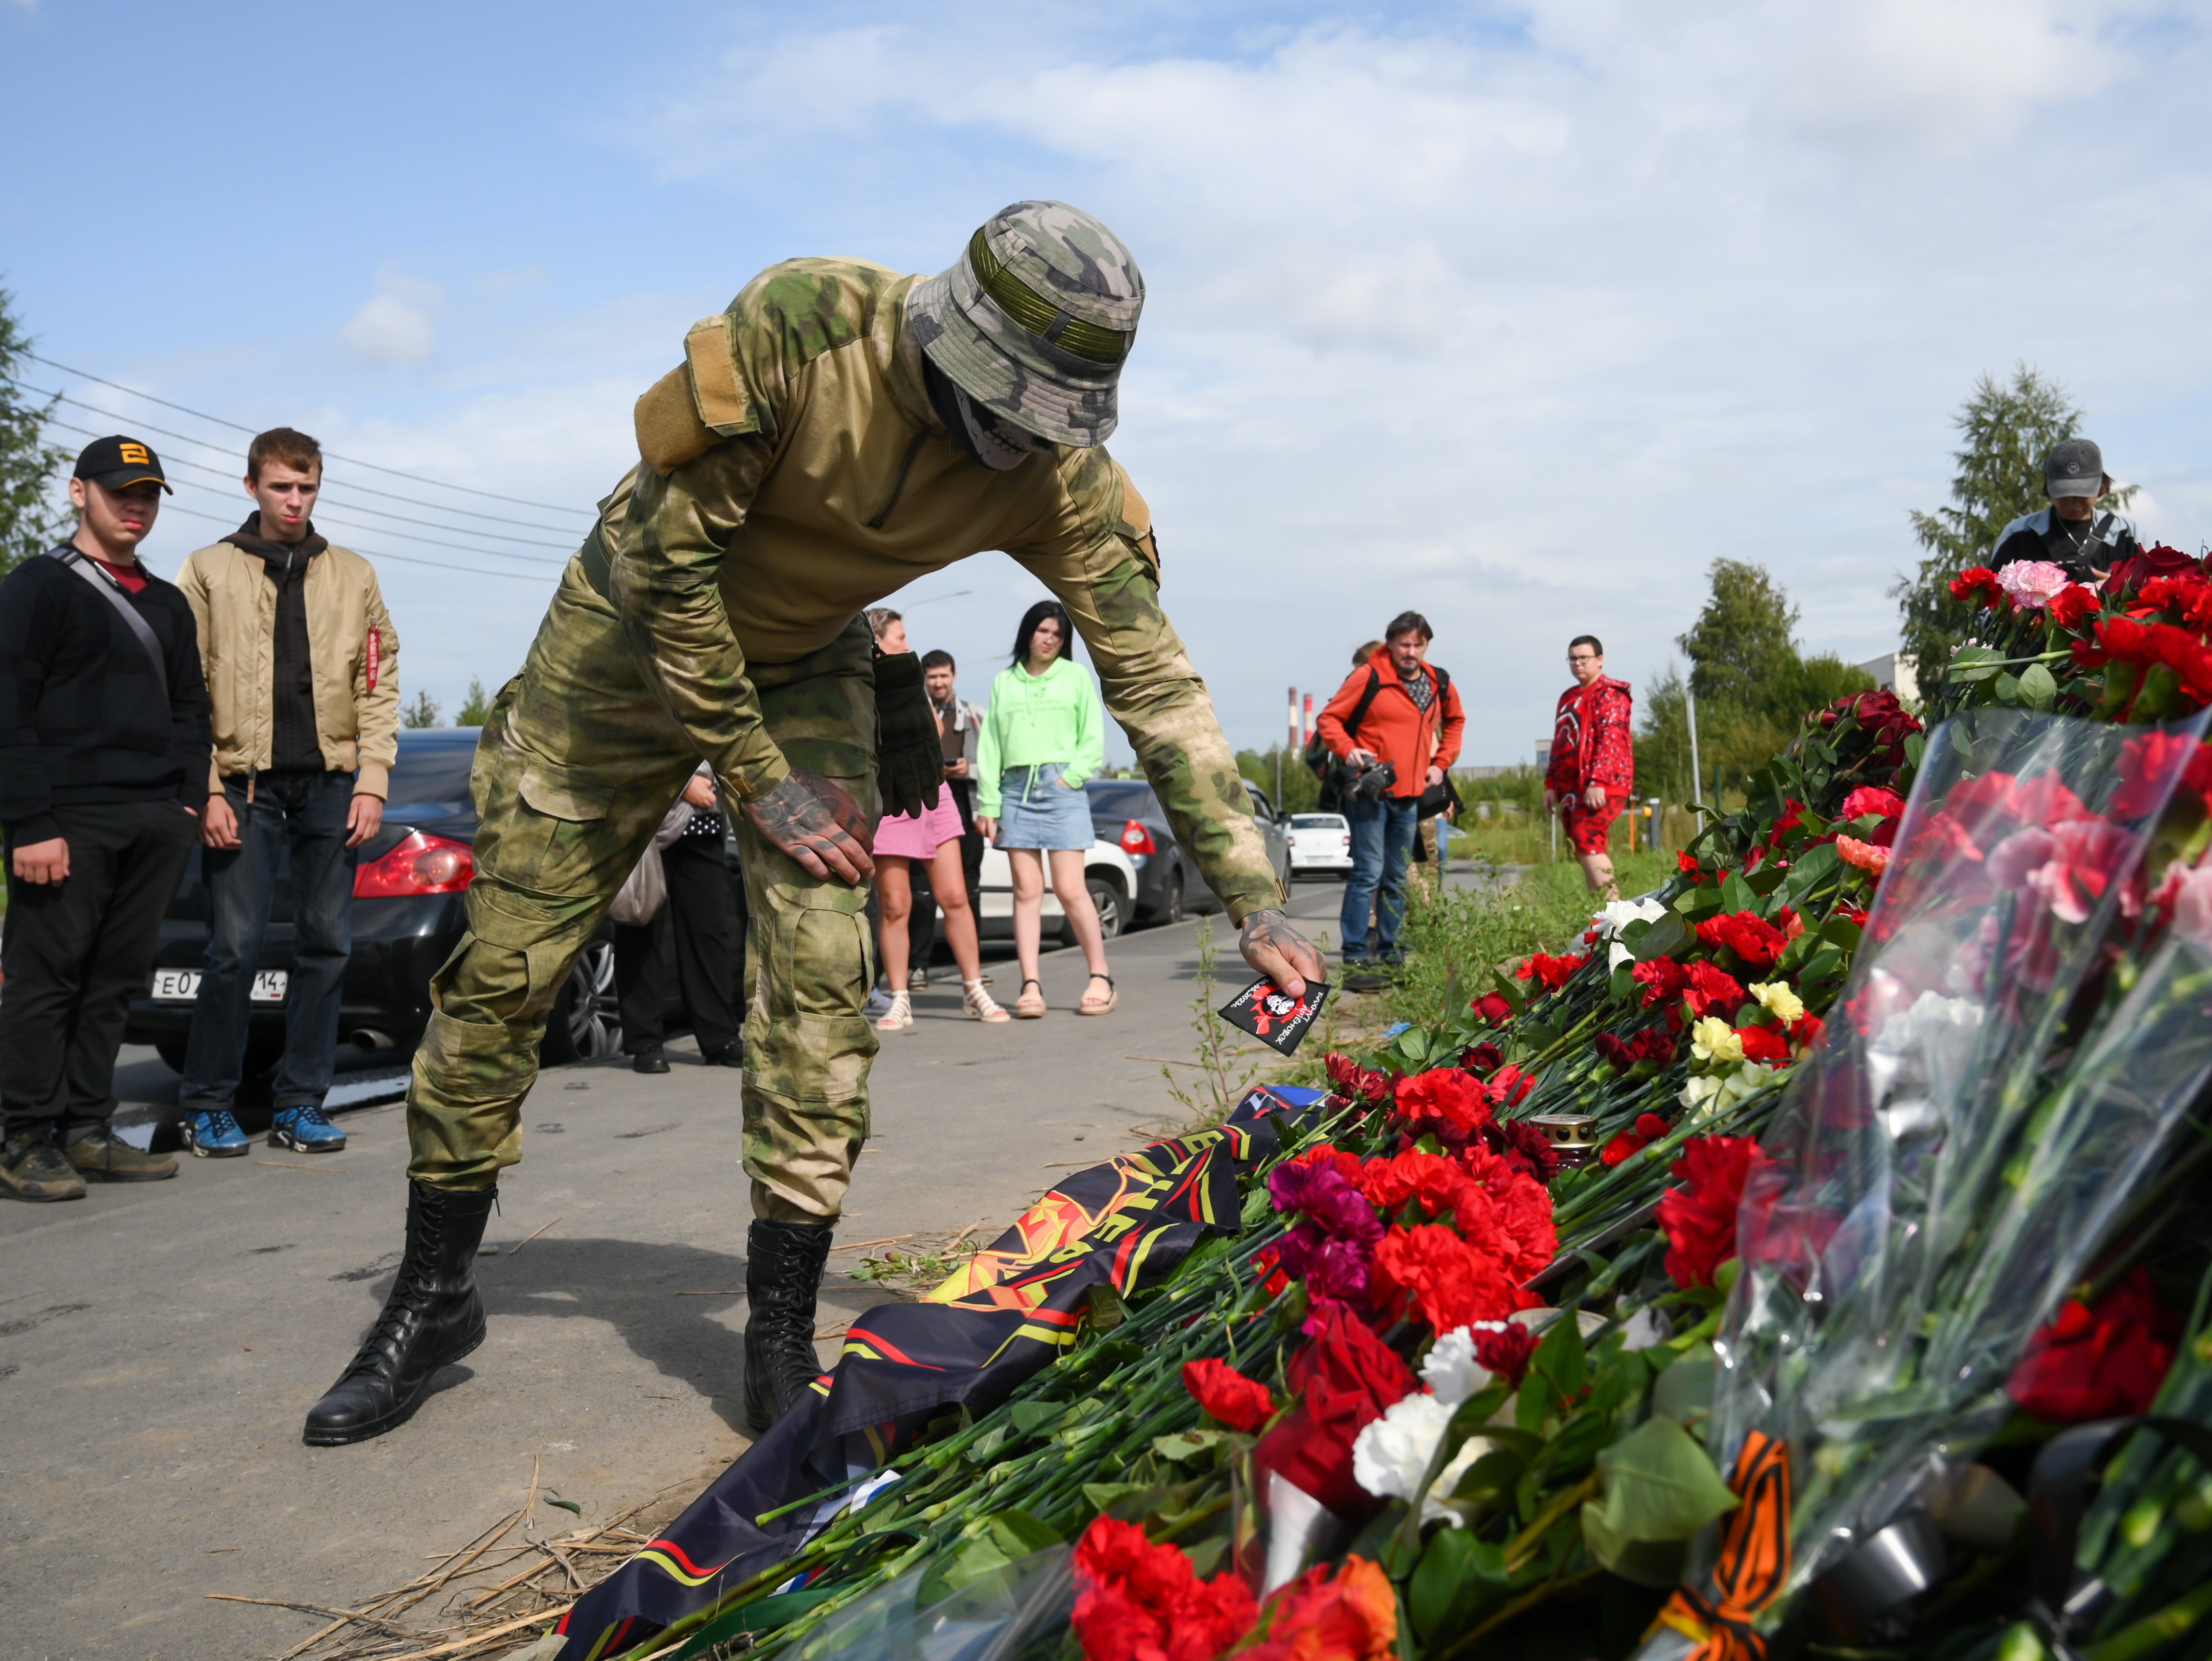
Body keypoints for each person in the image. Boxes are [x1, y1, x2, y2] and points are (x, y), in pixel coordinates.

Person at [300, 200, 1315, 1448]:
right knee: (506, 970)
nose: (1013, 445)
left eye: (1044, 421)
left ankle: (779, 1327)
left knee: (826, 980)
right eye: (1002, 405)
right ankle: (432, 1293)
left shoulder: (1059, 476)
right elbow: (674, 573)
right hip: (624, 646)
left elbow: (1154, 681)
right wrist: (753, 776)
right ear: (952, 343)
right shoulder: (804, 326)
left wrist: (1253, 892)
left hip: (801, 667)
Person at [173, 428, 400, 1158]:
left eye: (306, 488)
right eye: (280, 487)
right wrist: (206, 788)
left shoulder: (354, 573)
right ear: (252, 488)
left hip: (333, 787)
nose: (294, 501)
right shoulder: (208, 570)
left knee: (326, 945)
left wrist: (373, 781)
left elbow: (378, 681)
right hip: (243, 787)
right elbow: (187, 688)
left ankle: (301, 1103)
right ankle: (207, 1104)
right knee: (233, 950)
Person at [0, 437, 211, 1200]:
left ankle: (88, 1131)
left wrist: (185, 804)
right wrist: (28, 822)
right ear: (77, 492)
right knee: (44, 980)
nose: (137, 505)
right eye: (123, 490)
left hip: (153, 820)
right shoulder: (38, 588)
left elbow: (192, 708)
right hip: (66, 821)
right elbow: (8, 710)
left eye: (150, 493)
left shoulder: (167, 602)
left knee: (114, 982)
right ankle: (24, 1138)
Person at [975, 601, 1115, 1019]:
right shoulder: (1005, 682)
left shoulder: (1074, 677)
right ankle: (1030, 985)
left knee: (1071, 889)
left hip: (1061, 788)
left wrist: (1070, 778)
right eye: (1042, 631)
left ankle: (1101, 977)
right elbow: (991, 745)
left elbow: (1093, 735)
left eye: (1057, 634)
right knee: (1026, 891)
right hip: (1014, 788)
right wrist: (989, 801)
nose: (1049, 639)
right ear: (1028, 633)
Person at [867, 611, 1006, 1029]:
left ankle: (974, 989)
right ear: (876, 642)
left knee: (955, 897)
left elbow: (932, 733)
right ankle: (899, 999)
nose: (908, 646)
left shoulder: (914, 684)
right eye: (901, 637)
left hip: (932, 798)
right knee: (894, 906)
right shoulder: (857, 687)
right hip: (888, 800)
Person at [1317, 611, 1465, 982]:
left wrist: (1441, 763)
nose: (1410, 652)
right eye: (1403, 645)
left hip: (1411, 794)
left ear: (1426, 645)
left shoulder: (1437, 680)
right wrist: (1348, 749)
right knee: (1368, 873)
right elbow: (1329, 719)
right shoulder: (1368, 675)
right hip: (1371, 790)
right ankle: (1354, 956)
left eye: (1418, 645)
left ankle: (1391, 955)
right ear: (1390, 644)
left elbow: (1456, 721)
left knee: (1397, 877)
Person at [617, 762, 746, 1074]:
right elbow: (632, 744)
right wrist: (683, 783)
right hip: (647, 822)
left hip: (706, 824)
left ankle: (720, 1039)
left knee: (710, 933)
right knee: (642, 928)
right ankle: (645, 1042)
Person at [1544, 635, 1634, 900]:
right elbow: (1559, 743)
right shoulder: (1568, 698)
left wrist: (1598, 781)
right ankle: (1602, 915)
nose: (1577, 663)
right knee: (1581, 845)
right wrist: (1551, 784)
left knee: (1587, 838)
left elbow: (1611, 740)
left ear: (1600, 660)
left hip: (1603, 784)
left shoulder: (1611, 694)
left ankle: (1618, 914)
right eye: (1573, 658)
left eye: (1584, 658)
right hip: (1572, 787)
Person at [1990, 438, 2141, 583]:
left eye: (2082, 494)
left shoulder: (2127, 533)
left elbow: (2153, 590)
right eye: (2064, 495)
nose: (2073, 503)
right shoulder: (2018, 534)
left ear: (2101, 486)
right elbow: (1991, 600)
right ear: (2049, 488)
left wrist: (2119, 587)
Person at [922, 647, 986, 914]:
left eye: (944, 676)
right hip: (927, 804)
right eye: (933, 677)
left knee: (970, 883)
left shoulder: (976, 715)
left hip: (967, 804)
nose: (939, 682)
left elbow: (996, 764)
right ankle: (921, 958)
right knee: (922, 887)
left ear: (954, 676)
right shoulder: (919, 715)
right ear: (925, 679)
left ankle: (971, 954)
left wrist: (968, 769)